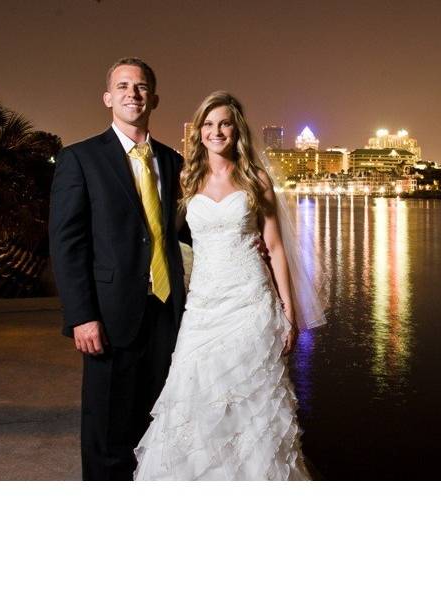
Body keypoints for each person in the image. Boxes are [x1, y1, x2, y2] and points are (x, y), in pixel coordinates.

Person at [134, 91, 324, 480]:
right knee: (192, 399)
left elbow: (274, 247)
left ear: (236, 129)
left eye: (224, 123)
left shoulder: (255, 179)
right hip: (203, 308)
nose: (216, 131)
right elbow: (165, 232)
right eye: (208, 124)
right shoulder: (185, 177)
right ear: (199, 131)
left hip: (251, 303)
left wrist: (289, 313)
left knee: (254, 406)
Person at [49, 58, 187, 480]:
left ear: (155, 98)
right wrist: (81, 316)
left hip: (168, 313)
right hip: (108, 316)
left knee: (158, 426)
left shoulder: (173, 161)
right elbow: (67, 243)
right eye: (123, 86)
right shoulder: (80, 159)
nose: (133, 93)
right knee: (107, 432)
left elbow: (185, 232)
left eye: (141, 86)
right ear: (108, 97)